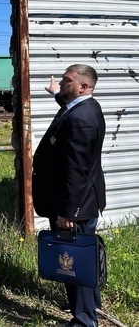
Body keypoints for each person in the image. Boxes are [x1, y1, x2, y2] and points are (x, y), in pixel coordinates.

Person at [32, 64, 106, 327]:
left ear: (83, 87)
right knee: (82, 259)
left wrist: (67, 212)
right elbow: (68, 111)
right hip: (81, 202)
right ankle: (91, 306)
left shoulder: (81, 119)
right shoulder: (84, 107)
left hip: (75, 205)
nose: (61, 83)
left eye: (66, 81)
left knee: (76, 263)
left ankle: (85, 320)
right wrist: (56, 94)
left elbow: (76, 170)